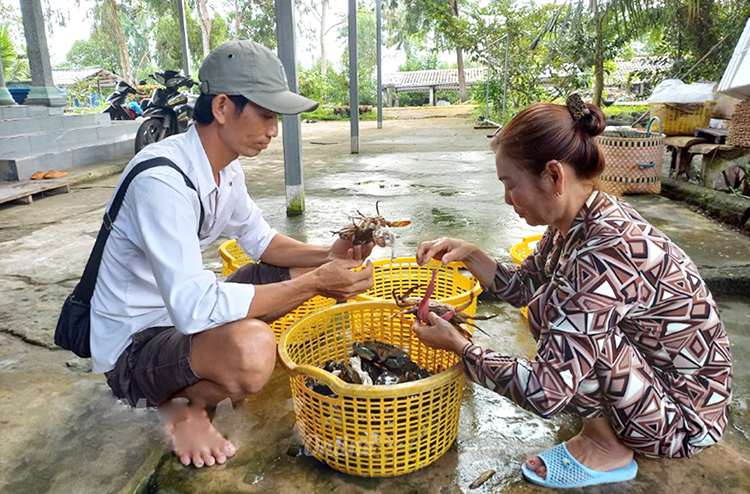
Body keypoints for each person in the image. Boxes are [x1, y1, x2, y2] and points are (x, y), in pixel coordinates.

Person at [412, 94, 732, 489]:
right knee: (552, 305)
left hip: (683, 422)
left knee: (556, 315)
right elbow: (527, 284)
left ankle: (608, 449)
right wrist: (472, 256)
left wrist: (460, 347)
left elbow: (547, 391)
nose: (506, 199)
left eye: (510, 185)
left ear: (553, 176)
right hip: (662, 385)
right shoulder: (584, 220)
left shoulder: (603, 254)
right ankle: (605, 424)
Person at [90, 40, 374, 468]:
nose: (273, 130)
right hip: (135, 346)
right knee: (254, 350)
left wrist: (327, 256)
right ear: (222, 107)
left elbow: (264, 243)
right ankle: (182, 407)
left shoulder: (225, 169)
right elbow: (192, 309)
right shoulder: (162, 182)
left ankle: (193, 387)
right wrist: (318, 282)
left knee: (289, 266)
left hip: (177, 321)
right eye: (265, 115)